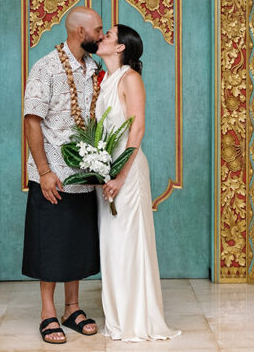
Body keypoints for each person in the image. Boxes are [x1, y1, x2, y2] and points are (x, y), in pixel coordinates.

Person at [21, 6, 104, 345]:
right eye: (97, 30)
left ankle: (72, 308)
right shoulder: (46, 68)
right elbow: (31, 120)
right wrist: (44, 171)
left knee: (76, 243)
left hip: (84, 174)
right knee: (50, 243)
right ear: (79, 32)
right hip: (52, 173)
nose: (101, 35)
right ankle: (47, 312)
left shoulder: (93, 67)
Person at [95, 24, 181, 342]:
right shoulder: (104, 80)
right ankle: (116, 317)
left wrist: (120, 175)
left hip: (127, 175)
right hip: (106, 175)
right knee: (112, 245)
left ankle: (136, 318)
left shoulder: (130, 78)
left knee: (128, 244)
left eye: (108, 36)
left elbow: (137, 129)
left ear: (120, 48)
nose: (102, 38)